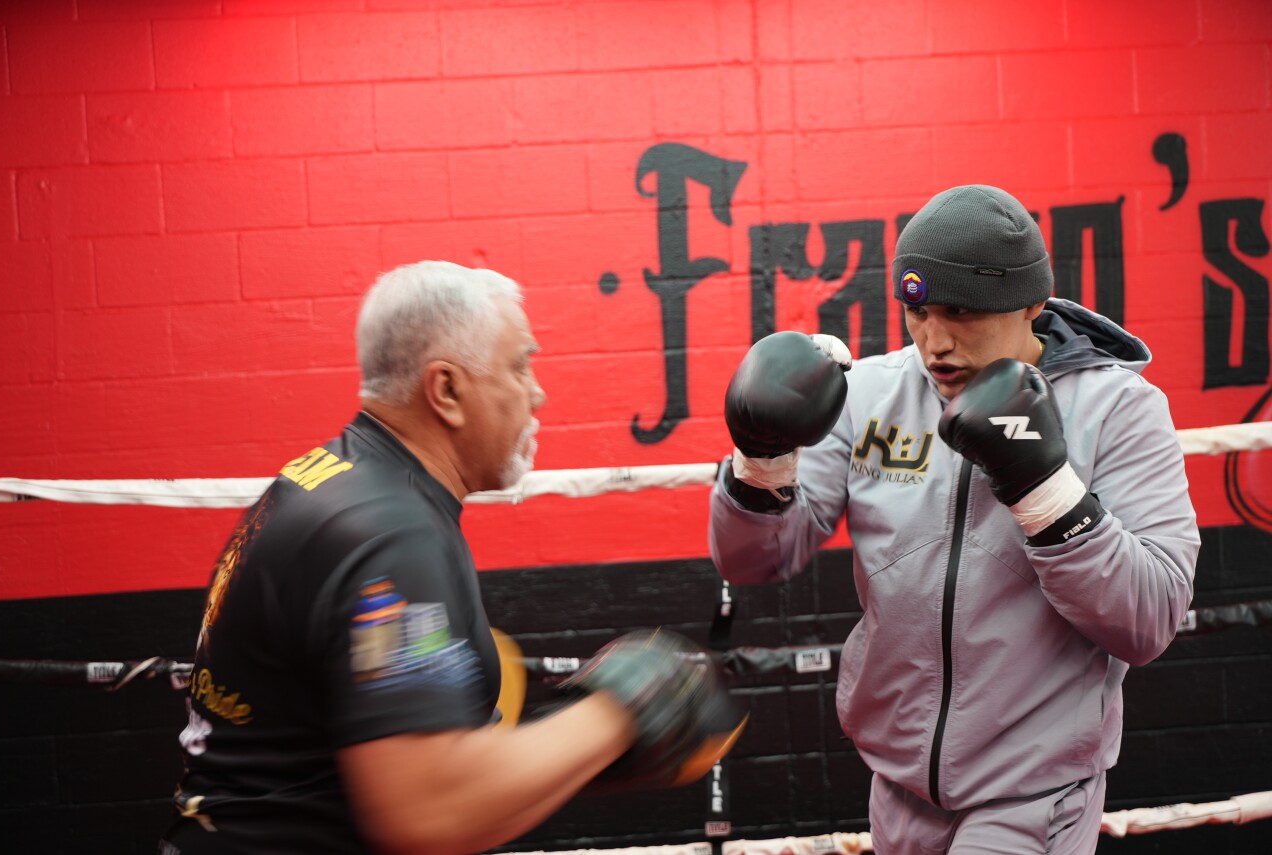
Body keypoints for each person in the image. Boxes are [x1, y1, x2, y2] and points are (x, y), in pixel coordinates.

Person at [162, 260, 743, 855]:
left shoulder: (333, 479)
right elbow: (427, 812)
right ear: (446, 390)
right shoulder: (392, 535)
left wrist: (557, 750)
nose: (537, 391)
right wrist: (624, 712)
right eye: (519, 365)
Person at [709, 185, 1199, 854]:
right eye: (918, 311)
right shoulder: (869, 393)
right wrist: (760, 462)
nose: (934, 342)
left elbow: (1149, 619)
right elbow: (753, 560)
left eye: (961, 312)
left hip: (1032, 794)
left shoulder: (1118, 408)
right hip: (898, 785)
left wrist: (1047, 492)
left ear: (1031, 304)